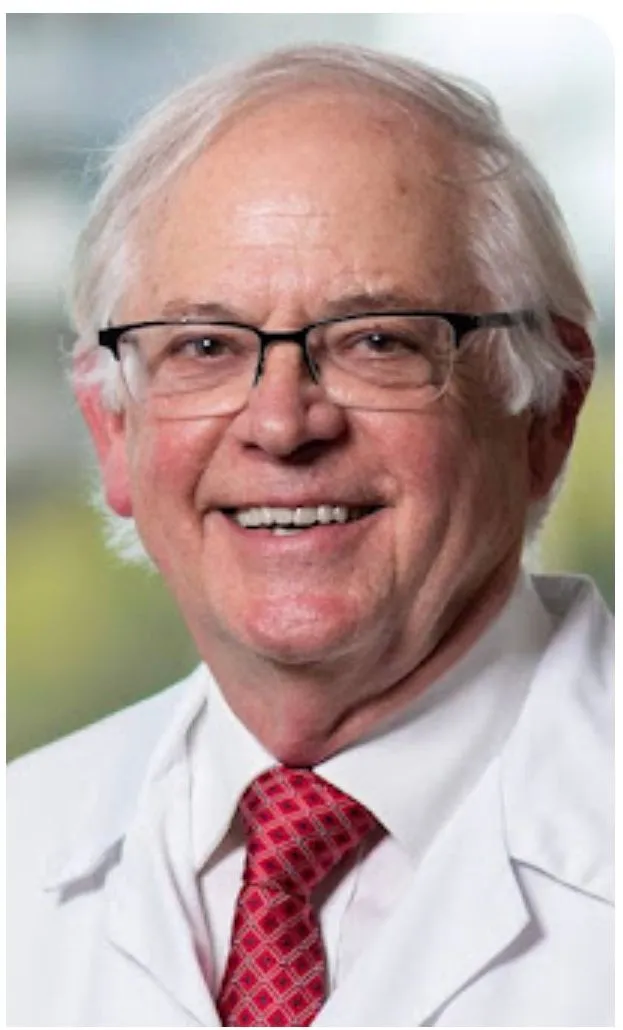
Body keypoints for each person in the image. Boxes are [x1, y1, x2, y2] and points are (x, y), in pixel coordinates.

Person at [8, 43, 613, 1028]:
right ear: (112, 430)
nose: (282, 424)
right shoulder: (19, 843)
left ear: (547, 410)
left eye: (377, 340)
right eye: (205, 346)